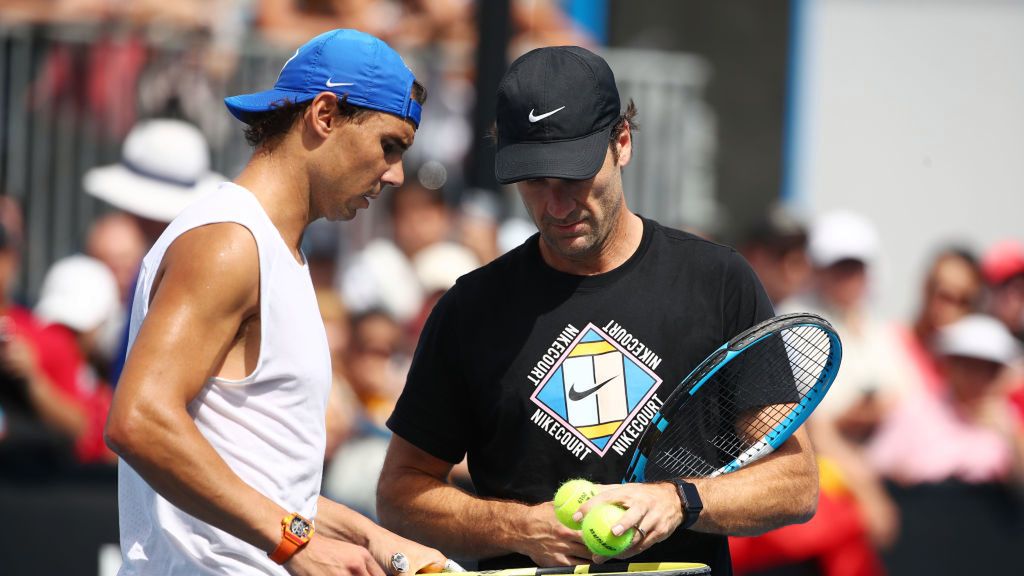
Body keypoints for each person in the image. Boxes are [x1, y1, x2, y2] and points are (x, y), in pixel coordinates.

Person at [376, 46, 817, 575]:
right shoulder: (470, 308)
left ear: (622, 143)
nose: (556, 205)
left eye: (574, 176)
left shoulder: (718, 281)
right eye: (535, 181)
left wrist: (680, 501)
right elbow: (401, 491)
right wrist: (518, 528)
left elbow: (796, 482)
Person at [104, 29, 445, 575]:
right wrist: (297, 545)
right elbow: (138, 420)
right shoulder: (229, 243)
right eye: (389, 145)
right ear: (326, 115)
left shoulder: (272, 249)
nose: (396, 174)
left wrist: (379, 541)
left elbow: (272, 490)